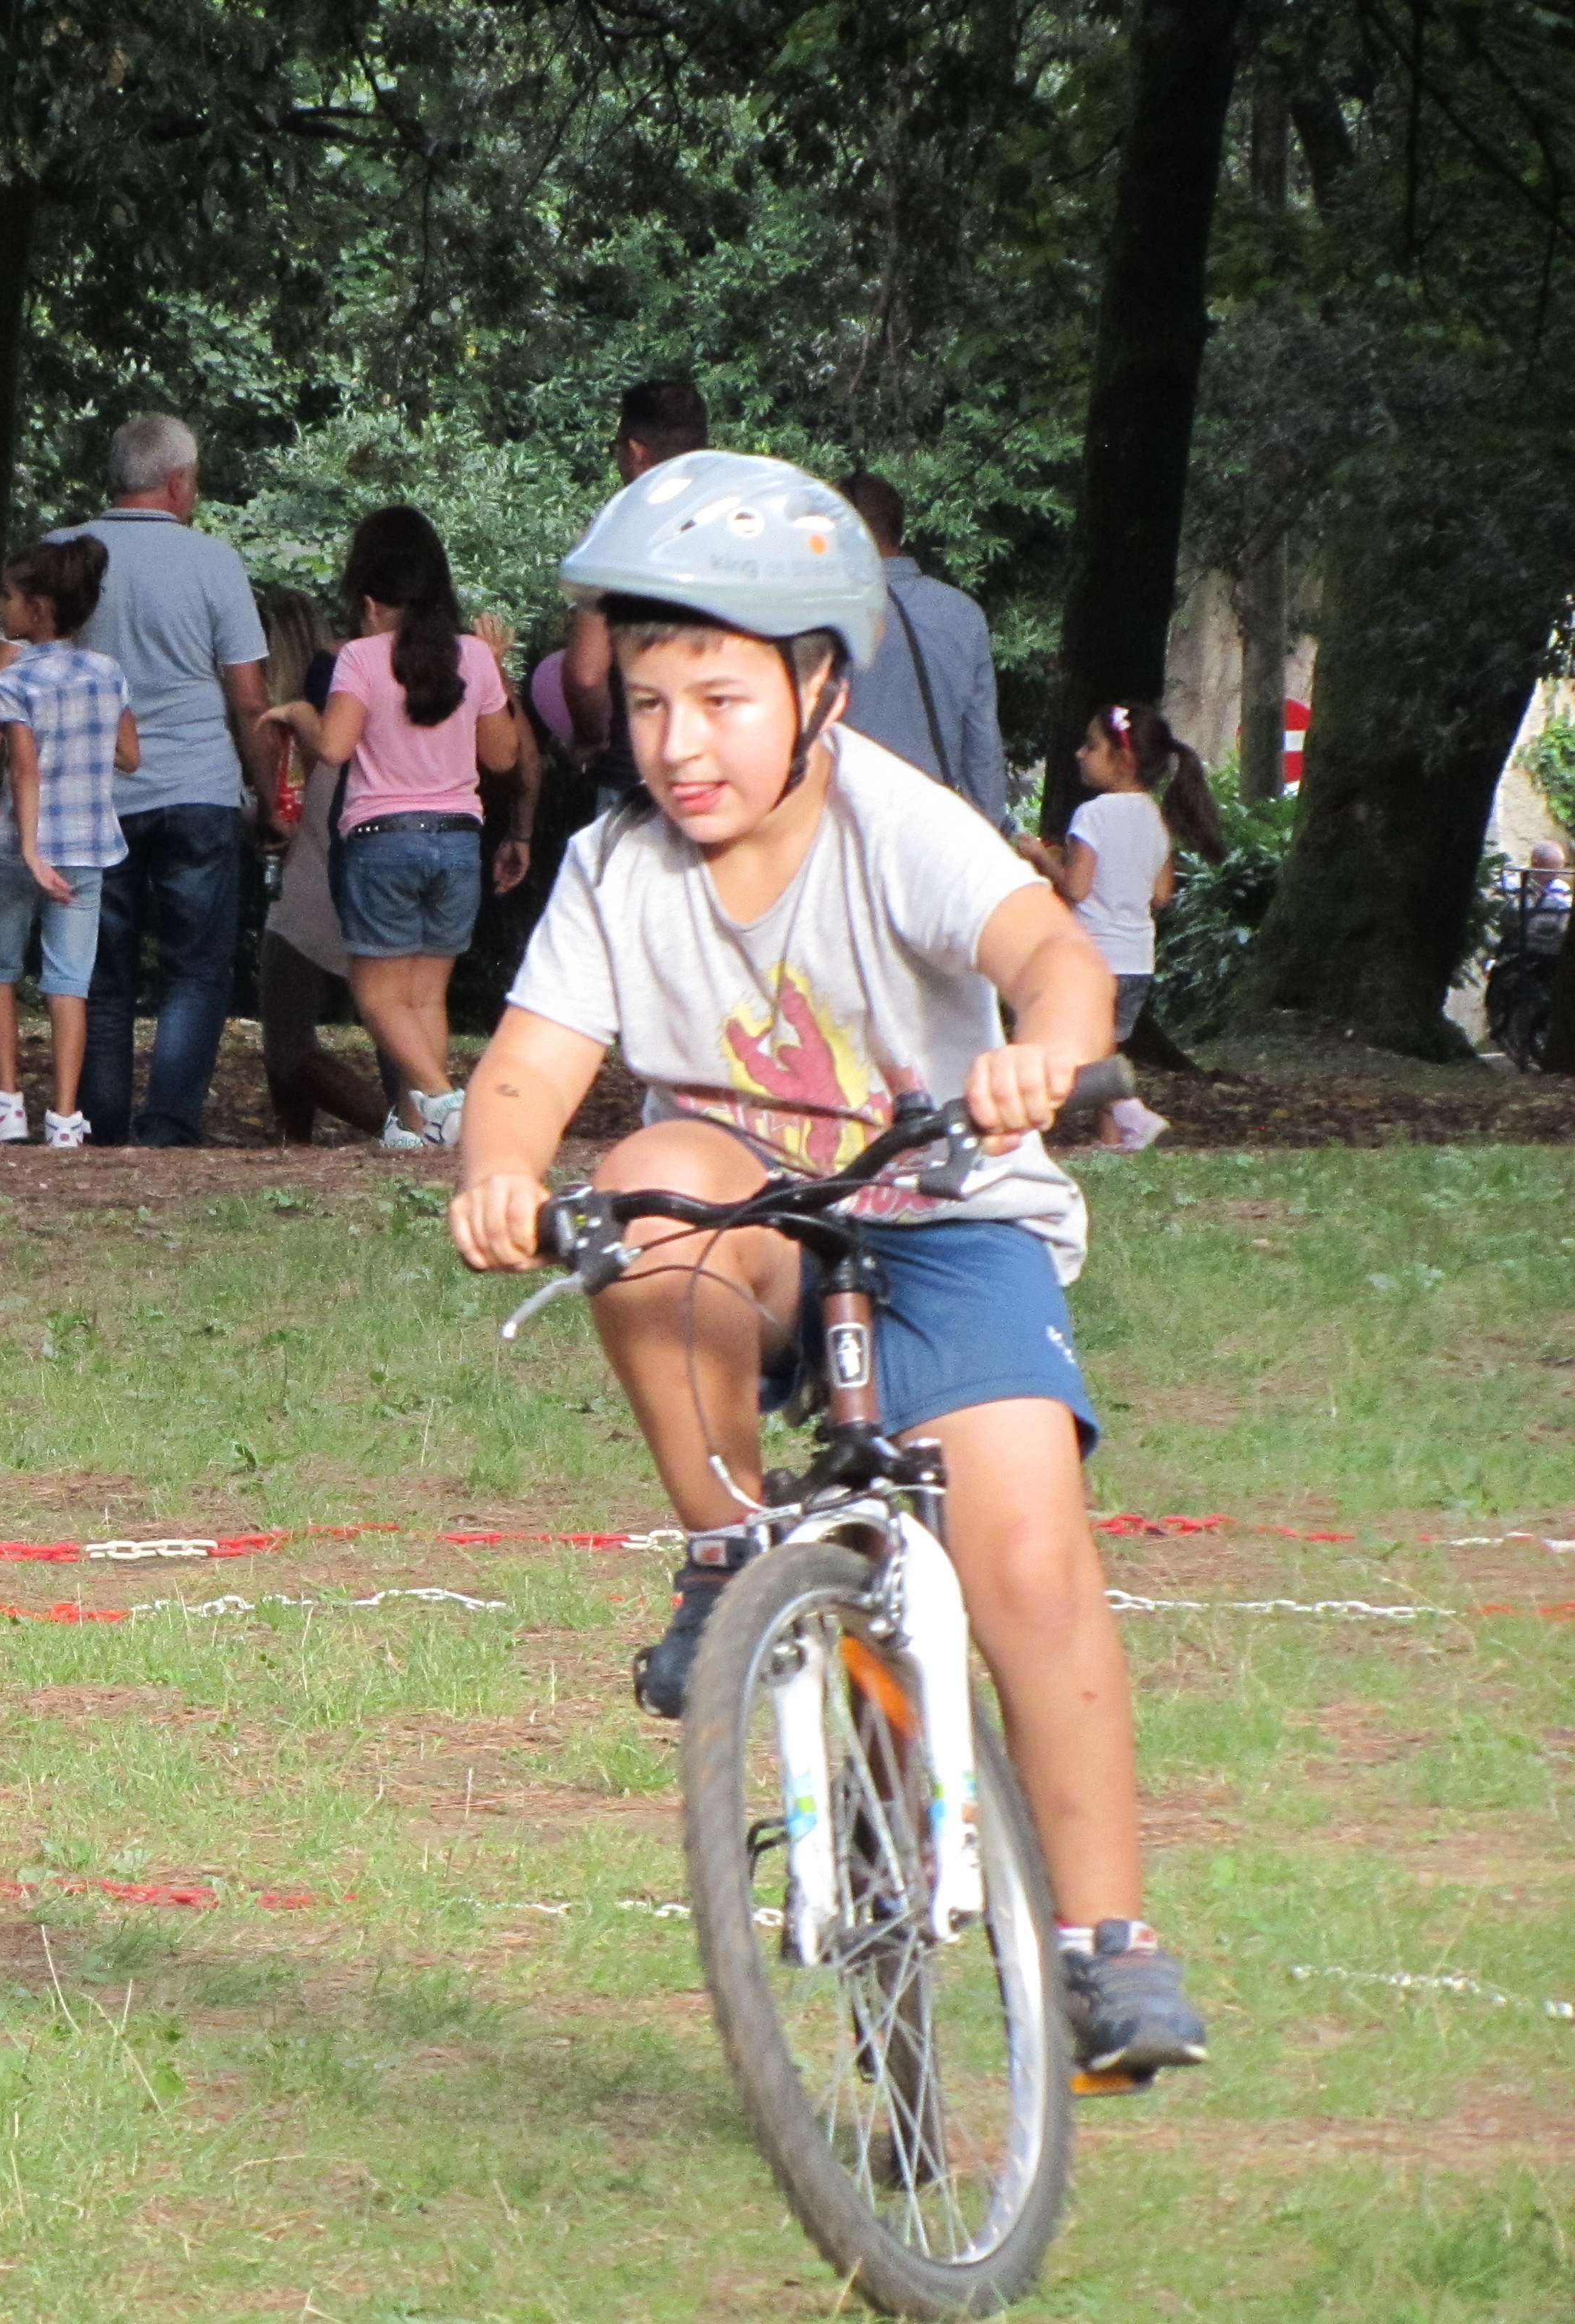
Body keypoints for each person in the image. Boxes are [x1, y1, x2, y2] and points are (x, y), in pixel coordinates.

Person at [448, 450, 1209, 2085]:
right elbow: (525, 1067)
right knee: (641, 1182)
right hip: (760, 1237)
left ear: (821, 691)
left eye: (722, 701)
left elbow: (1049, 951)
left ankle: (1106, 1939)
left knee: (1026, 1552)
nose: (680, 743)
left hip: (949, 1225)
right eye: (649, 703)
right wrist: (499, 1167)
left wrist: (1047, 1047)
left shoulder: (895, 822)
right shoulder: (616, 868)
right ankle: (730, 1548)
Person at [12, 415, 275, 1147]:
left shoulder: (60, 555)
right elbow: (248, 697)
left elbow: (11, 676)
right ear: (178, 481)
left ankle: (98, 1125)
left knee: (101, 972)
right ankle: (167, 1128)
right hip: (198, 787)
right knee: (196, 970)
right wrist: (269, 794)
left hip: (91, 796)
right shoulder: (213, 561)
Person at [262, 508, 520, 1148]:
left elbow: (334, 748)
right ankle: (416, 1126)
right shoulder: (474, 657)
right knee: (426, 998)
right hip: (458, 840)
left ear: (372, 602)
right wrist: (493, 672)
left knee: (379, 998)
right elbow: (503, 756)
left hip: (383, 840)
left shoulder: (360, 658)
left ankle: (444, 1102)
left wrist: (299, 713)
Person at [0, 537, 140, 1147]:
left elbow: (25, 770)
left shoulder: (15, 679)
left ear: (37, 608)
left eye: (8, 597)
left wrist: (32, 850)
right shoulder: (107, 673)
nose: (1, 607)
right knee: (70, 983)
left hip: (22, 849)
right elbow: (130, 756)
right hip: (89, 847)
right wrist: (85, 746)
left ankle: (5, 1102)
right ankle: (65, 1117)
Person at [1014, 702, 1225, 1152]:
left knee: (1080, 1048)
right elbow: (1161, 894)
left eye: (1091, 745)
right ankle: (1111, 1140)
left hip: (1093, 956)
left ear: (1123, 759)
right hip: (1137, 960)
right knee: (1107, 1050)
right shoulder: (1156, 816)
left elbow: (1076, 888)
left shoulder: (1093, 815)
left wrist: (1040, 857)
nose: (1079, 753)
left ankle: (1134, 1117)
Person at [254, 587, 403, 1141]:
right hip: (341, 870)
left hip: (317, 880)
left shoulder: (313, 715)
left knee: (287, 1037)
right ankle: (298, 1140)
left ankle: (397, 1130)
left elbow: (301, 804)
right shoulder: (350, 702)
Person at [561, 380, 710, 808]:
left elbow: (587, 673)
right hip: (721, 764)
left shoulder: (617, 530)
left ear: (636, 451)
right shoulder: (738, 523)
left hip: (635, 769)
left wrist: (591, 740)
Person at [834, 469, 1010, 827]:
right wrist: (989, 831)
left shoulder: (822, 613)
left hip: (844, 820)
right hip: (930, 824)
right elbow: (982, 747)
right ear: (898, 529)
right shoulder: (962, 613)